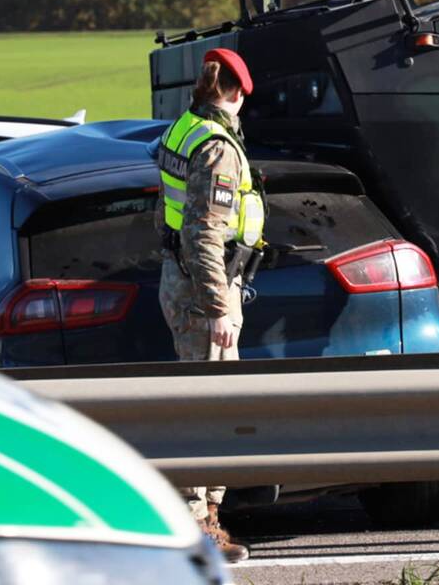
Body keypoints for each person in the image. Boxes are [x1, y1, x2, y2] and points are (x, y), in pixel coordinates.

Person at [155, 47, 265, 563]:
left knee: (207, 404)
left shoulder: (183, 128)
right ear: (237, 93)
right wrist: (220, 306)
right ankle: (199, 528)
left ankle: (203, 520)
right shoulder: (218, 147)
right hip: (206, 290)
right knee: (208, 410)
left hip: (181, 281)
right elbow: (203, 231)